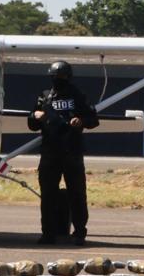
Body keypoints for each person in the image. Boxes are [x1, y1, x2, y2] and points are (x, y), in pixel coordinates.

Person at [28, 60, 99, 244]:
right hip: (49, 153)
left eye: (62, 77)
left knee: (77, 194)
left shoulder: (78, 95)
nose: (58, 80)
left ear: (69, 77)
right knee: (48, 196)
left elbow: (93, 119)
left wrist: (81, 120)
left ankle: (79, 233)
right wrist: (35, 116)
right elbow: (32, 124)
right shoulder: (44, 96)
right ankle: (48, 233)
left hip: (72, 152)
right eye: (55, 77)